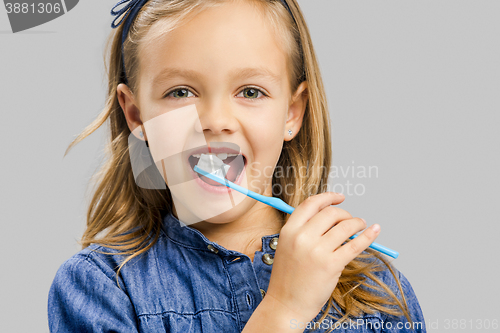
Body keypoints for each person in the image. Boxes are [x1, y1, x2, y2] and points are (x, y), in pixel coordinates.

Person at [47, 0, 426, 332]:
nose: (215, 120)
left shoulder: (377, 293)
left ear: (292, 113)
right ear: (136, 115)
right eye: (181, 92)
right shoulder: (101, 289)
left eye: (250, 92)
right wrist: (282, 312)